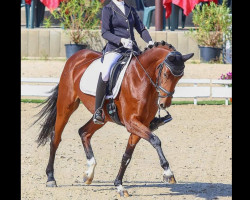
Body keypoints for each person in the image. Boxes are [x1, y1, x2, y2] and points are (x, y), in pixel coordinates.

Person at [93, 0, 154, 124]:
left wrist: (150, 41)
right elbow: (105, 32)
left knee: (148, 72)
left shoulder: (130, 9)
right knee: (105, 73)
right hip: (115, 49)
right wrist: (120, 40)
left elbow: (141, 29)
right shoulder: (108, 9)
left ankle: (151, 110)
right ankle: (98, 111)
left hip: (132, 49)